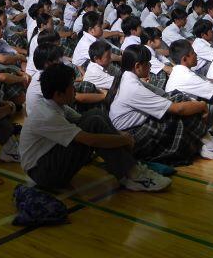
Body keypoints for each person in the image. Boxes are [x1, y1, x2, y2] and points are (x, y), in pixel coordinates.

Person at [20, 63, 171, 191]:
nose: (75, 90)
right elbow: (90, 139)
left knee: (95, 115)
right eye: (71, 87)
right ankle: (132, 173)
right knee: (94, 123)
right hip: (43, 173)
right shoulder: (47, 115)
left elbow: (86, 120)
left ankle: (129, 170)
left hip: (48, 161)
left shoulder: (54, 105)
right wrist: (124, 140)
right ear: (58, 94)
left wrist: (120, 135)